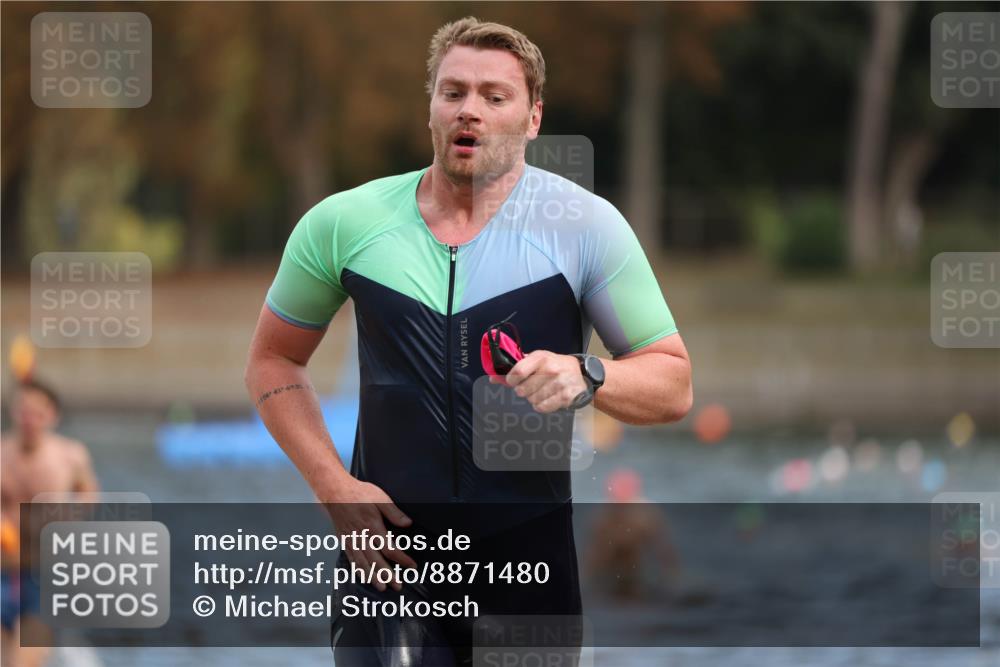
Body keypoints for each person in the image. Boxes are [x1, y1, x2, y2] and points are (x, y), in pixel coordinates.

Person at [245, 16, 692, 665]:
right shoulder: (346, 224)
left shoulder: (585, 229)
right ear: (429, 105)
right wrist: (333, 486)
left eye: (494, 96)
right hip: (388, 569)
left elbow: (674, 382)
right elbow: (272, 358)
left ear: (533, 117)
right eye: (453, 92)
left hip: (527, 580)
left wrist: (588, 375)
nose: (469, 111)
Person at [1, 379, 100, 667]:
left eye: (37, 413)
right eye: (23, 411)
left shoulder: (70, 456)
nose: (29, 420)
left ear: (52, 416)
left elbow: (89, 494)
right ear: (12, 412)